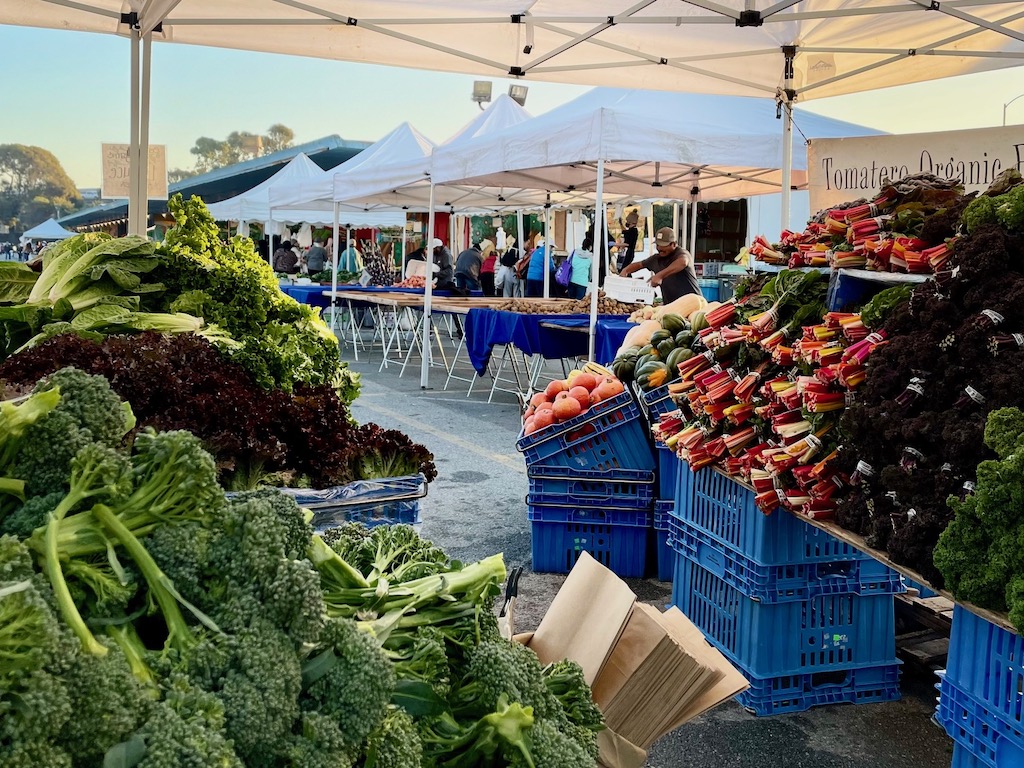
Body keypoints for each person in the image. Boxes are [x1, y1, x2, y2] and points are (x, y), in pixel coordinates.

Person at [619, 227, 699, 304]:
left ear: (673, 244)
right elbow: (640, 264)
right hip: (671, 307)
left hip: (693, 305)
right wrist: (626, 270)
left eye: (663, 245)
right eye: (657, 245)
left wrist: (660, 275)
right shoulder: (656, 258)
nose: (659, 248)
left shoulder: (681, 254)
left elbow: (683, 262)